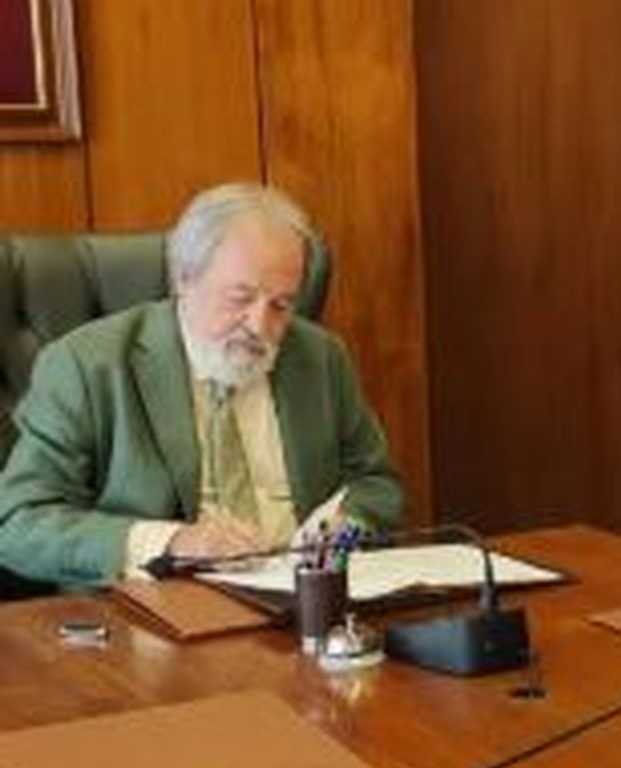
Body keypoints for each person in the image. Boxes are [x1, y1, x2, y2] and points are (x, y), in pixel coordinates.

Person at [0, 182, 404, 588]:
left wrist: (347, 523)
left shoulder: (320, 358)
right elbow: (18, 522)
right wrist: (171, 541)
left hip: (304, 602)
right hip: (158, 610)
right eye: (240, 298)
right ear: (183, 278)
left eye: (281, 305)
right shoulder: (87, 366)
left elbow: (376, 482)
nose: (260, 326)